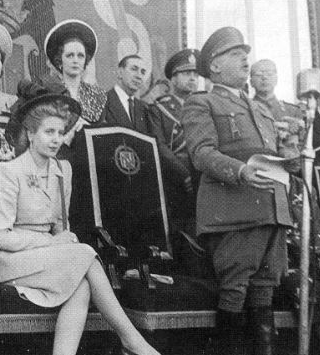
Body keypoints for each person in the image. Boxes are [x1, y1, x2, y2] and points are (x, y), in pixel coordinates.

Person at [0, 79, 160, 355]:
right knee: (87, 255)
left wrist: (63, 239)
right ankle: (132, 341)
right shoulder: (9, 171)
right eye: (49, 132)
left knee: (81, 286)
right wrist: (52, 243)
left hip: (47, 259)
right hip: (10, 261)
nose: (56, 139)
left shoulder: (62, 170)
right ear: (30, 133)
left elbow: (58, 226)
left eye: (60, 132)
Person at [182, 26, 299, 355]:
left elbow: (269, 153)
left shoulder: (261, 108)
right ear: (215, 65)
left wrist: (288, 160)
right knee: (234, 289)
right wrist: (240, 171)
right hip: (233, 213)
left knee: (264, 291)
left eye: (246, 54)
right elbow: (201, 153)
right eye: (236, 54)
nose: (246, 60)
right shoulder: (201, 102)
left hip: (271, 211)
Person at [149, 49, 201, 273]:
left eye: (195, 74)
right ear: (173, 78)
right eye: (187, 73)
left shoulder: (203, 105)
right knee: (177, 231)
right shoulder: (159, 108)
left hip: (203, 176)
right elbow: (159, 146)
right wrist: (184, 174)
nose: (192, 78)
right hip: (174, 179)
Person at [44, 19, 106, 130]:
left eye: (80, 56)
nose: (75, 61)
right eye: (70, 55)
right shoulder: (48, 90)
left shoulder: (97, 96)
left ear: (85, 61)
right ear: (60, 61)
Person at [99, 53, 151, 134]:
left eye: (143, 72)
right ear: (120, 73)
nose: (139, 76)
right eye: (134, 69)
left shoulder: (145, 109)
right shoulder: (101, 102)